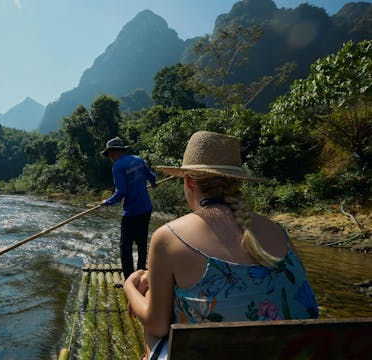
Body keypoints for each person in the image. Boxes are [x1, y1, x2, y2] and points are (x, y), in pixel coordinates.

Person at [123, 131, 319, 360]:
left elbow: (157, 326)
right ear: (237, 183)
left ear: (188, 182)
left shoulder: (169, 237)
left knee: (153, 320)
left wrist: (130, 285)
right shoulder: (278, 231)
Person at [100, 136, 157, 282]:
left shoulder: (118, 166)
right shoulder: (138, 159)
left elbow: (121, 192)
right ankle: (141, 275)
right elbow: (151, 176)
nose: (109, 157)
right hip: (146, 208)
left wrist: (108, 202)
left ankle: (128, 280)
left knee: (125, 247)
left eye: (109, 154)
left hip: (131, 212)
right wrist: (154, 183)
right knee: (142, 243)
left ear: (113, 152)